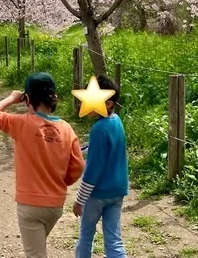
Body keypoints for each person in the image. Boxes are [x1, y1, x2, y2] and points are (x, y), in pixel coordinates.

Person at [0, 73, 85, 258]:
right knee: (37, 249)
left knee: (36, 254)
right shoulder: (67, 129)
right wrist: (61, 181)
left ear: (27, 99)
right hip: (55, 204)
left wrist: (11, 99)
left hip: (30, 205)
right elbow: (77, 166)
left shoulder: (21, 123)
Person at [73, 75, 129, 258]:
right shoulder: (116, 121)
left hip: (97, 193)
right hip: (118, 190)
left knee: (86, 235)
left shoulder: (98, 129)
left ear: (109, 103)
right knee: (114, 238)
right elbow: (110, 148)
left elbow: (93, 169)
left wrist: (80, 199)